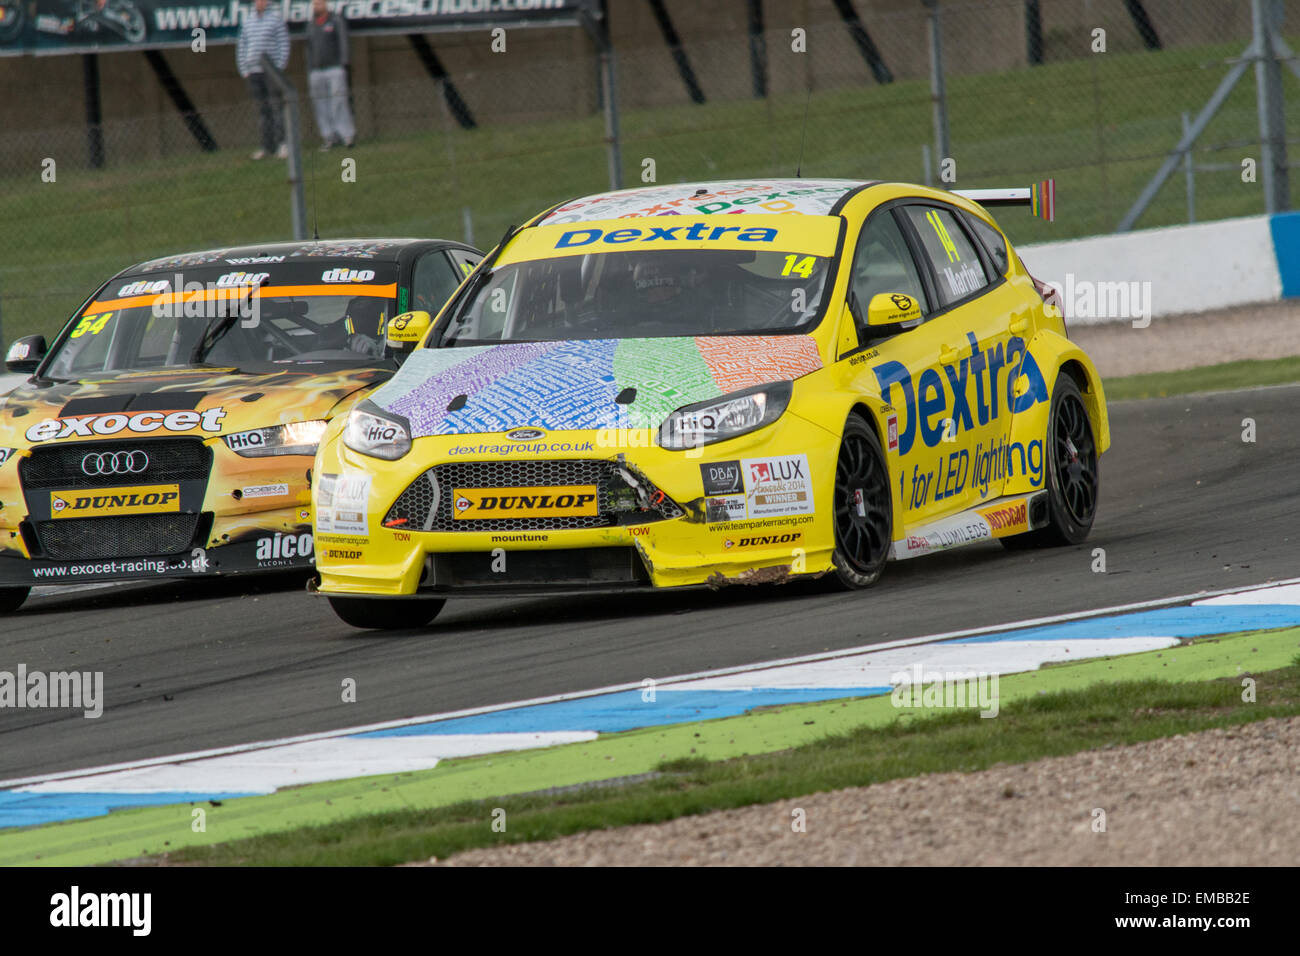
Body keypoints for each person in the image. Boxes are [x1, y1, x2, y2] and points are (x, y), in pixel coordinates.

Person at [237, 0, 291, 161]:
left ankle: (282, 144)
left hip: (271, 72)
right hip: (253, 72)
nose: (260, 2)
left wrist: (278, 67)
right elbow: (242, 46)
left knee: (276, 107)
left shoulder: (275, 19)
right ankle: (267, 147)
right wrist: (244, 69)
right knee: (262, 110)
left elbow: (284, 44)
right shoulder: (247, 20)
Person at [306, 0, 356, 149]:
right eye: (315, 4)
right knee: (320, 104)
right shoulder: (310, 25)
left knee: (339, 101)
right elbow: (308, 48)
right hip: (316, 71)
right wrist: (310, 69)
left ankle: (347, 135)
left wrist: (344, 63)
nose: (317, 6)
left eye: (320, 3)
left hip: (334, 68)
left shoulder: (335, 20)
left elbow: (343, 42)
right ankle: (329, 136)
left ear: (326, 4)